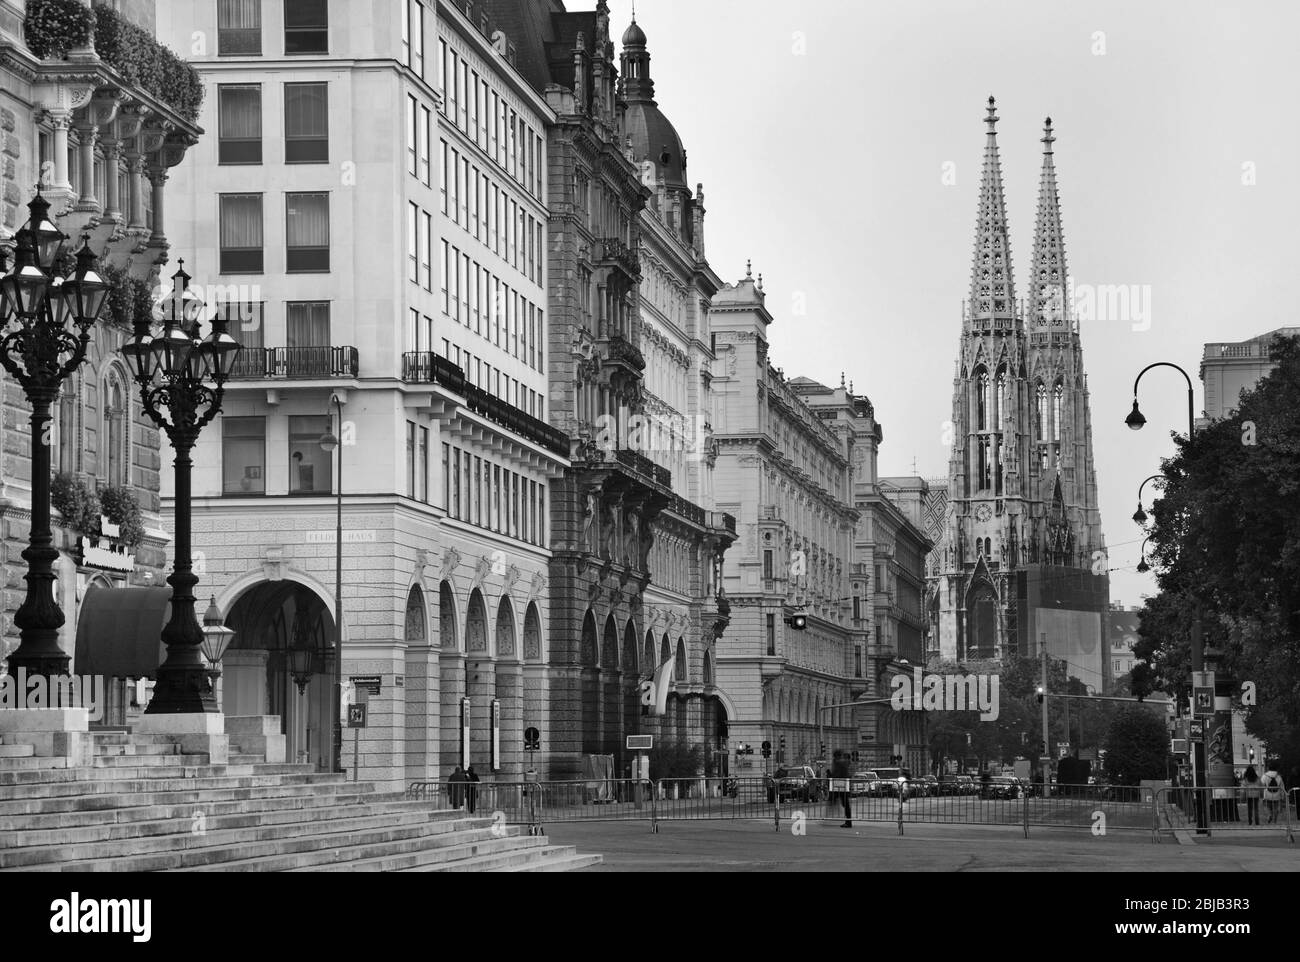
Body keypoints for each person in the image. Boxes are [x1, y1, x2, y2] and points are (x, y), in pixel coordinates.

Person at [830, 750, 853, 828]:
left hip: (841, 786)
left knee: (845, 804)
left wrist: (831, 775)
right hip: (842, 786)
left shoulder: (840, 763)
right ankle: (848, 821)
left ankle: (848, 822)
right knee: (845, 804)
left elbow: (838, 774)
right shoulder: (842, 763)